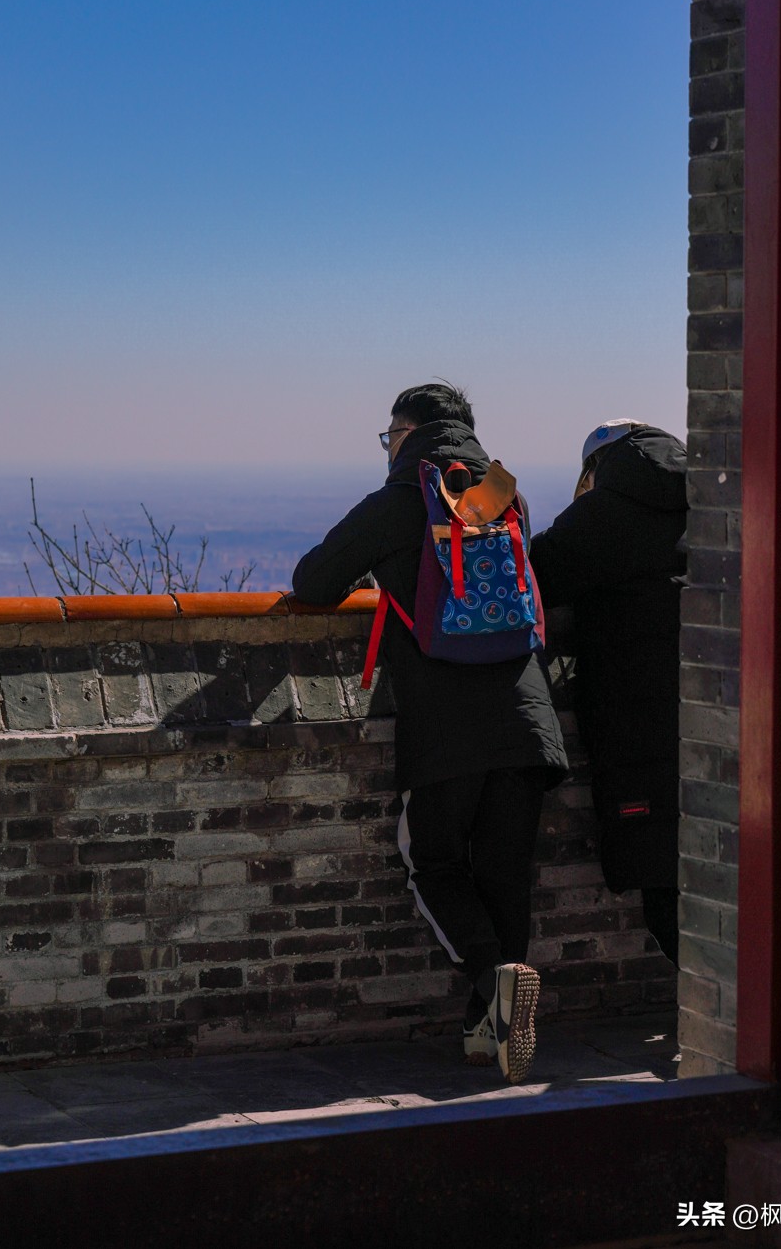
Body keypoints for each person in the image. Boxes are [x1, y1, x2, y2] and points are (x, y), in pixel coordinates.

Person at [291, 382, 568, 1082]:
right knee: (504, 873)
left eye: (388, 436)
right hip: (526, 717)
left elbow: (315, 581)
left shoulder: (400, 500)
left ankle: (493, 974)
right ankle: (489, 1033)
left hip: (446, 725)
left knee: (433, 863)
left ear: (406, 432)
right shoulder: (504, 494)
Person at [529, 420, 687, 967]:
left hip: (638, 722)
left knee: (664, 883)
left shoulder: (603, 512)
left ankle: (725, 1025)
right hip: (727, 722)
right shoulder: (718, 499)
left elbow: (533, 576)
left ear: (595, 468)